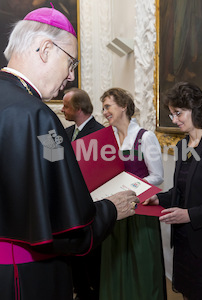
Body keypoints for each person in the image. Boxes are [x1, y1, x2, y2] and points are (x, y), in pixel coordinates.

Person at [0, 6, 139, 300]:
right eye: (71, 62)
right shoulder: (38, 118)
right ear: (46, 49)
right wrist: (112, 209)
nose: (71, 75)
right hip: (23, 276)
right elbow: (67, 227)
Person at [143, 82, 202, 300]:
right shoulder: (183, 146)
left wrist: (189, 215)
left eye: (178, 113)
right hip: (183, 240)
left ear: (195, 110)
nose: (174, 120)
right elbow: (180, 191)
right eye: (171, 115)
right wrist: (158, 198)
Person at [99, 87, 166, 300]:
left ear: (123, 106)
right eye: (103, 108)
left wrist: (130, 188)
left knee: (143, 264)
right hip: (114, 212)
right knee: (115, 263)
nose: (105, 112)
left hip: (140, 213)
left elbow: (157, 175)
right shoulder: (106, 140)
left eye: (108, 106)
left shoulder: (145, 137)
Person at [62, 87, 104, 300]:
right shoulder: (66, 132)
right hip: (69, 206)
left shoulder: (100, 132)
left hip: (91, 205)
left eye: (66, 106)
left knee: (92, 260)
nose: (62, 110)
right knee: (74, 258)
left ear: (79, 108)